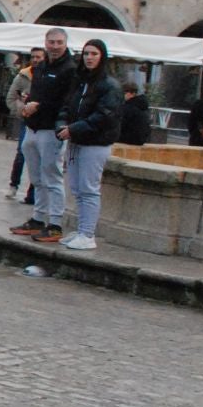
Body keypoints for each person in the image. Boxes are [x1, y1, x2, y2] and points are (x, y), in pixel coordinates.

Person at [11, 28, 79, 245]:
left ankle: (55, 223)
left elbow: (66, 100)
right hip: (33, 127)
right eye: (51, 42)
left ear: (65, 43)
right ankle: (38, 218)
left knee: (52, 176)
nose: (55, 46)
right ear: (45, 43)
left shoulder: (70, 69)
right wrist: (28, 101)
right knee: (37, 177)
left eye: (59, 42)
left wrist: (38, 105)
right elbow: (38, 92)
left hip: (51, 129)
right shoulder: (40, 67)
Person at [55, 39, 123, 251]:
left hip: (95, 142)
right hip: (77, 139)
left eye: (94, 54)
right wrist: (62, 125)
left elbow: (104, 116)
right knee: (77, 187)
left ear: (102, 56)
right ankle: (82, 230)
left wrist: (73, 129)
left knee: (89, 188)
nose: (89, 58)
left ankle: (87, 234)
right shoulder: (81, 81)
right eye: (86, 54)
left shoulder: (109, 86)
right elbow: (67, 106)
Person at [4, 47, 44, 201]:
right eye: (33, 57)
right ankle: (13, 185)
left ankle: (32, 194)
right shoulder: (23, 76)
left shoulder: (48, 75)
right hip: (25, 120)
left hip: (42, 122)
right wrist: (21, 111)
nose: (35, 60)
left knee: (39, 158)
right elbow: (10, 98)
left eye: (39, 57)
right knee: (21, 153)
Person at [118, 79, 152, 146]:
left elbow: (120, 124)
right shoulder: (143, 106)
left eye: (124, 93)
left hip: (129, 139)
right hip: (142, 140)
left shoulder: (128, 107)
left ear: (132, 94)